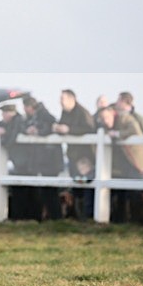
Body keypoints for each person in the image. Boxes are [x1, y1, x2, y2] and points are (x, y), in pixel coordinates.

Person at [99, 104, 143, 223]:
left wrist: (117, 134)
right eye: (102, 119)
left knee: (135, 191)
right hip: (120, 163)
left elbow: (134, 130)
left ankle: (138, 220)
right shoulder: (104, 126)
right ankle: (120, 220)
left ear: (112, 114)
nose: (105, 121)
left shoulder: (125, 118)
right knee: (120, 192)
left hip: (135, 160)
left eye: (106, 118)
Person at [53, 89, 96, 218]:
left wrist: (70, 130)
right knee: (76, 186)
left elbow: (89, 129)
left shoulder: (82, 112)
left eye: (63, 99)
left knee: (86, 186)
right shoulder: (65, 113)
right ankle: (77, 215)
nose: (60, 102)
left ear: (72, 99)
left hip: (84, 156)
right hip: (73, 155)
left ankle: (87, 216)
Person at [21, 96, 64, 220]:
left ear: (29, 107)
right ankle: (52, 217)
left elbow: (50, 128)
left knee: (49, 190)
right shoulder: (34, 117)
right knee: (46, 190)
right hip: (43, 159)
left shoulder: (46, 116)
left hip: (49, 160)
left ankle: (55, 217)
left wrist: (37, 131)